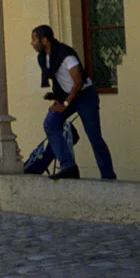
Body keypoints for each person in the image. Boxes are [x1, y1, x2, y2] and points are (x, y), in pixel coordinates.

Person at [32, 25, 116, 180]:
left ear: (44, 40)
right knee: (50, 123)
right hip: (67, 97)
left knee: (94, 137)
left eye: (34, 40)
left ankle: (108, 177)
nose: (32, 43)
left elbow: (78, 83)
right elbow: (58, 81)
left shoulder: (66, 55)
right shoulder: (44, 57)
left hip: (84, 96)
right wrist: (57, 100)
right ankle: (68, 167)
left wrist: (64, 104)